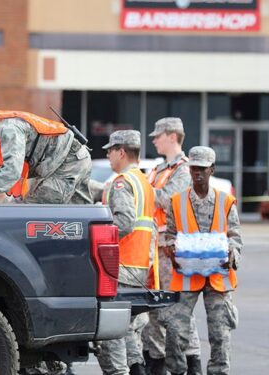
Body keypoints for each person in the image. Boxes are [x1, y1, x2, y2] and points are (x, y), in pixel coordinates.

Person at [160, 146, 242, 375]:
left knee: (220, 334)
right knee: (175, 331)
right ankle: (177, 371)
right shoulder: (176, 202)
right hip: (187, 275)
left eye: (202, 169)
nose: (197, 173)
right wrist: (171, 249)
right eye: (194, 168)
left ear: (212, 170)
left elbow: (235, 238)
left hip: (217, 277)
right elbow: (170, 234)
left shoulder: (226, 202)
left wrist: (231, 255)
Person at [142, 118, 203, 375]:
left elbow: (167, 199)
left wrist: (137, 189)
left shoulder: (183, 169)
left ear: (171, 136)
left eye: (158, 136)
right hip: (154, 249)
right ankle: (156, 364)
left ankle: (192, 366)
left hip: (172, 250)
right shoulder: (158, 168)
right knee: (155, 309)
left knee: (177, 311)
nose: (154, 140)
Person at [0, 92, 91, 204]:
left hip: (69, 160)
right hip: (59, 164)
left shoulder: (7, 129)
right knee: (80, 214)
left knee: (36, 210)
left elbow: (12, 171)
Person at [97, 130, 157, 375]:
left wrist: (99, 240)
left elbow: (124, 222)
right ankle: (136, 370)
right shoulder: (143, 182)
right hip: (139, 265)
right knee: (128, 328)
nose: (109, 156)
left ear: (121, 152)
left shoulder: (122, 182)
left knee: (110, 333)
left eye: (110, 151)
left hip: (121, 265)